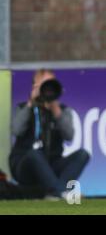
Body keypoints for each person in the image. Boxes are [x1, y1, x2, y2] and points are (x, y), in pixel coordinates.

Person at [8, 69, 90, 200]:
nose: (47, 90)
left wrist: (56, 110)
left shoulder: (63, 110)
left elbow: (69, 136)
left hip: (52, 164)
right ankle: (61, 192)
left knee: (83, 154)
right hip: (25, 165)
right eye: (43, 86)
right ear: (35, 87)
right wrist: (31, 103)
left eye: (50, 85)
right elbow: (16, 130)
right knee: (34, 153)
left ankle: (56, 192)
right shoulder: (23, 107)